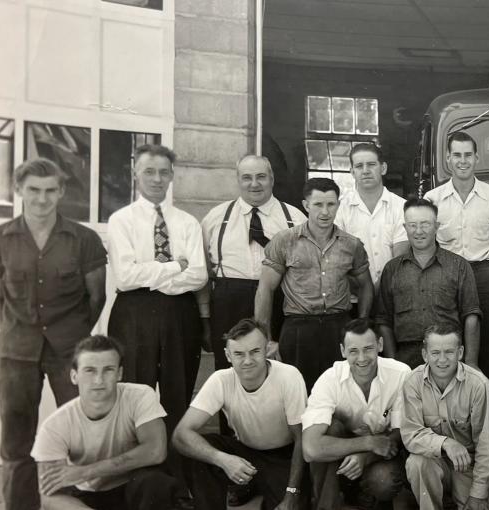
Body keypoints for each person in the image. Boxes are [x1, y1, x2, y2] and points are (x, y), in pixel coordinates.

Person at [0, 158, 108, 510]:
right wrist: (16, 329)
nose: (42, 198)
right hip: (16, 351)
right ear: (19, 190)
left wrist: (74, 335)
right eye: (34, 190)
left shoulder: (83, 239)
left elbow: (96, 297)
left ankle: (81, 505)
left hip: (70, 350)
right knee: (16, 438)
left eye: (50, 190)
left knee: (80, 432)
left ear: (62, 192)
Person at [107, 144, 207, 463]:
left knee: (178, 391)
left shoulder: (187, 222)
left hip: (180, 313)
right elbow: (124, 278)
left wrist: (150, 273)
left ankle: (176, 475)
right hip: (133, 313)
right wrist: (174, 267)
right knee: (136, 391)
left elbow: (200, 276)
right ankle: (137, 473)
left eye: (164, 172)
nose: (156, 179)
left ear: (172, 176)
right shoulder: (121, 220)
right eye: (149, 171)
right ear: (135, 173)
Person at [198, 155, 305, 436]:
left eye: (261, 177)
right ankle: (232, 441)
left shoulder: (295, 218)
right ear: (238, 180)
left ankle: (280, 444)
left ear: (272, 178)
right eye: (247, 177)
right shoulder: (215, 219)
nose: (254, 184)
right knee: (231, 376)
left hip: (281, 300)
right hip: (230, 300)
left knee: (281, 372)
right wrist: (206, 319)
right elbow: (204, 274)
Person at [30, 335, 181, 510]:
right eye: (90, 370)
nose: (99, 380)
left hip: (134, 490)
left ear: (119, 373)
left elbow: (156, 451)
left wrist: (86, 471)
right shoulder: (55, 425)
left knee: (155, 482)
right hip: (89, 496)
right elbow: (47, 494)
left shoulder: (139, 396)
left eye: (108, 369)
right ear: (74, 376)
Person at [173, 318, 309, 510]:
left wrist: (292, 493)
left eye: (255, 352)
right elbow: (181, 435)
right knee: (199, 448)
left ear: (267, 349)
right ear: (228, 355)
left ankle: (256, 488)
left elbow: (301, 438)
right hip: (245, 452)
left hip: (283, 456)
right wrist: (222, 459)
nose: (247, 361)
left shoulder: (288, 376)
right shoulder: (221, 379)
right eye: (238, 354)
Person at [255, 177, 373, 389]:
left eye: (331, 204)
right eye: (318, 204)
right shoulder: (285, 241)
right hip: (299, 328)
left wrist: (361, 325)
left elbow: (366, 285)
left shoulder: (351, 245)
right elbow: (265, 288)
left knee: (340, 392)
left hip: (338, 327)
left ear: (338, 204)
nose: (325, 212)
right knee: (298, 393)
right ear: (306, 205)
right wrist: (266, 338)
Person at [301, 318, 411, 510]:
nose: (361, 358)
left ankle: (364, 495)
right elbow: (310, 449)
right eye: (353, 351)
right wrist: (367, 443)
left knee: (384, 481)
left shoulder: (400, 374)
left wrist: (366, 456)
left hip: (382, 452)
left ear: (380, 345)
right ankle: (327, 506)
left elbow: (401, 432)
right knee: (331, 427)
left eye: (368, 349)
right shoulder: (330, 379)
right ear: (343, 351)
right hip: (342, 454)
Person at [424, 131, 489, 382]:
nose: (462, 161)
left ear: (476, 158)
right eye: (457, 155)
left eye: (468, 155)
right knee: (447, 337)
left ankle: (487, 397)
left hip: (482, 272)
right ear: (448, 159)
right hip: (445, 273)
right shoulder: (433, 198)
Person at [375, 198, 482, 368]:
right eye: (412, 225)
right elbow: (384, 321)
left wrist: (471, 363)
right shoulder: (392, 269)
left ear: (437, 226)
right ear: (405, 228)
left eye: (425, 224)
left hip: (448, 355)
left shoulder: (459, 266)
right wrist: (393, 363)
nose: (418, 231)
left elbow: (471, 316)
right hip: (405, 358)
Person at [402, 324, 489, 510]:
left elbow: (484, 444)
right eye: (435, 352)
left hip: (468, 464)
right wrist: (446, 443)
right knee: (417, 462)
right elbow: (411, 435)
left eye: (449, 352)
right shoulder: (413, 382)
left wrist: (478, 491)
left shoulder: (479, 385)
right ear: (424, 355)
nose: (442, 360)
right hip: (434, 459)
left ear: (460, 352)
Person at [335, 143, 409, 286]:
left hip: (392, 294)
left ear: (383, 168)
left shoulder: (402, 207)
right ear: (352, 172)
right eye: (359, 166)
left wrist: (377, 291)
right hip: (353, 297)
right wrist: (364, 290)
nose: (365, 171)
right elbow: (339, 258)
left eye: (371, 164)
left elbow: (400, 256)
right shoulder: (340, 209)